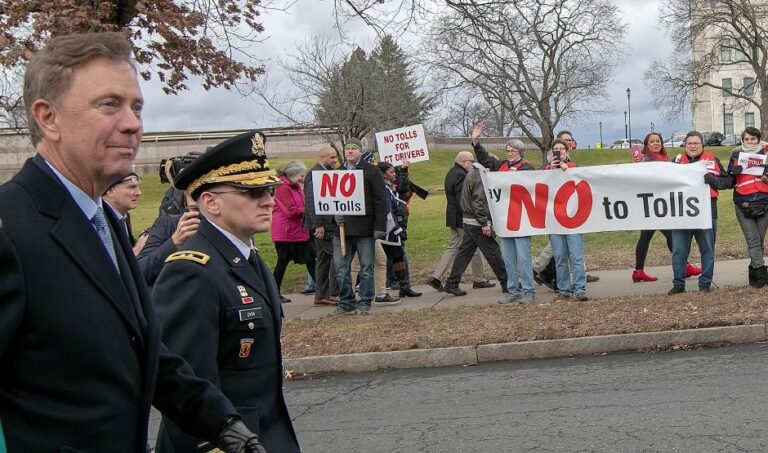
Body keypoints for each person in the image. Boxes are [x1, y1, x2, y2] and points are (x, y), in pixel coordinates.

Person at [0, 32, 265, 452]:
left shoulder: (101, 218)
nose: (132, 123)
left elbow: (141, 347)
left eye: (136, 106)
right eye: (109, 104)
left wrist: (222, 422)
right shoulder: (11, 228)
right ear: (48, 118)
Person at [152, 131, 300, 452]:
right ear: (210, 202)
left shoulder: (251, 260)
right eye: (252, 191)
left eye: (270, 189)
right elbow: (188, 390)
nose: (269, 200)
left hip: (265, 435)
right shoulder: (191, 271)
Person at [473, 132, 537, 304]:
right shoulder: (502, 166)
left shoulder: (527, 168)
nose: (509, 153)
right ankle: (512, 290)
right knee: (508, 257)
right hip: (504, 220)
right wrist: (476, 142)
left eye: (513, 151)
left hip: (521, 220)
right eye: (508, 151)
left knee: (523, 257)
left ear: (520, 153)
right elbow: (485, 160)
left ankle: (529, 290)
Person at [630, 132, 702, 282]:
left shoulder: (662, 158)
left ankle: (638, 271)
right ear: (646, 145)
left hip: (661, 203)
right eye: (652, 142)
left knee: (647, 236)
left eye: (658, 141)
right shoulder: (645, 159)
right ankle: (685, 266)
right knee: (669, 235)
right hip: (653, 204)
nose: (656, 144)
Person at [331, 138, 389, 316]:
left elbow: (381, 199)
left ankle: (365, 301)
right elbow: (328, 198)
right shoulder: (337, 173)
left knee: (366, 268)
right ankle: (347, 302)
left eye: (353, 149)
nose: (350, 151)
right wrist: (334, 215)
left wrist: (380, 226)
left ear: (360, 151)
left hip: (365, 228)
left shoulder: (371, 171)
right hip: (341, 230)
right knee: (341, 269)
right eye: (347, 148)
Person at [668, 131, 730, 295]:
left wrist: (713, 181)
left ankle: (705, 284)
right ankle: (678, 284)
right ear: (685, 145)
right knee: (679, 250)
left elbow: (728, 181)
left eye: (696, 143)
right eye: (690, 143)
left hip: (707, 212)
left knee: (707, 249)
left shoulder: (712, 159)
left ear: (702, 145)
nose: (693, 146)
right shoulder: (676, 161)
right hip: (681, 213)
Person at [443, 157, 508, 297]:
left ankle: (452, 283)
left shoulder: (473, 172)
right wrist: (484, 223)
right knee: (493, 252)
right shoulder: (479, 175)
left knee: (464, 253)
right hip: (476, 222)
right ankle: (506, 283)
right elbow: (478, 201)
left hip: (469, 220)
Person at [427, 151, 491, 292]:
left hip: (453, 216)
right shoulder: (462, 175)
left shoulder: (452, 172)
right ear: (463, 162)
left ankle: (436, 276)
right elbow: (464, 199)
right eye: (471, 161)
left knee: (453, 247)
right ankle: (479, 279)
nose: (473, 164)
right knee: (473, 247)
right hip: (462, 218)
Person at [136, 152, 202, 287]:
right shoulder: (168, 224)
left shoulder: (230, 227)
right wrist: (174, 242)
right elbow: (140, 272)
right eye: (194, 209)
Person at [545, 139, 589, 302]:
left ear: (567, 152)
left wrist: (566, 171)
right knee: (560, 256)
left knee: (576, 257)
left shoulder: (574, 168)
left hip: (574, 219)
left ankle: (580, 288)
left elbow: (582, 186)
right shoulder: (546, 170)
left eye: (561, 149)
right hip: (555, 221)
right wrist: (551, 168)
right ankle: (563, 289)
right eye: (555, 149)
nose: (559, 152)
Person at [725, 126, 768, 287]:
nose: (750, 142)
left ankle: (754, 273)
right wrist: (732, 172)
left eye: (753, 139)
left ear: (758, 139)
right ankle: (761, 276)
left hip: (764, 201)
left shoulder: (766, 152)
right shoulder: (736, 154)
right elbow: (730, 181)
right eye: (746, 139)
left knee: (759, 241)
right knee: (753, 240)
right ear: (742, 140)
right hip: (742, 203)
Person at [271, 160, 315, 304]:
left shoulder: (295, 188)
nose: (303, 179)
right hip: (286, 233)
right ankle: (274, 293)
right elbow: (290, 211)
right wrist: (309, 210)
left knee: (310, 259)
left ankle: (323, 290)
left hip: (298, 231)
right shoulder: (284, 189)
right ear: (292, 174)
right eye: (301, 176)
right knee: (282, 263)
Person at [378, 161, 422, 298]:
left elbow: (403, 190)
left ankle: (404, 286)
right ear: (384, 175)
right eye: (391, 172)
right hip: (384, 229)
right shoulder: (381, 188)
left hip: (393, 227)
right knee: (378, 260)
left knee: (398, 256)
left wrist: (404, 170)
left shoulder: (390, 187)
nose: (394, 174)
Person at [303, 147, 340, 306]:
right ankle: (331, 292)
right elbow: (312, 201)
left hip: (327, 224)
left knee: (324, 260)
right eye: (331, 157)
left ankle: (322, 295)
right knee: (336, 258)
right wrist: (318, 225)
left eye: (335, 157)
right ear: (322, 157)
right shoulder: (315, 174)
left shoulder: (324, 173)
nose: (335, 160)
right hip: (322, 225)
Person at [103, 171, 147, 255]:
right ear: (109, 190)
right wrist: (137, 249)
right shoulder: (100, 223)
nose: (139, 193)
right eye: (131, 187)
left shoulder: (122, 216)